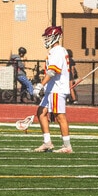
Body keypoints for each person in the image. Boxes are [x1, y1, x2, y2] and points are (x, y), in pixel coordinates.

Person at [33, 25, 73, 153]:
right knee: (41, 112)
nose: (46, 39)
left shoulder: (58, 51)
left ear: (56, 37)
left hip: (57, 89)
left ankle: (67, 146)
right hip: (52, 88)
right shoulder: (57, 51)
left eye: (49, 36)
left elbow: (52, 72)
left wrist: (40, 85)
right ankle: (47, 143)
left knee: (60, 116)